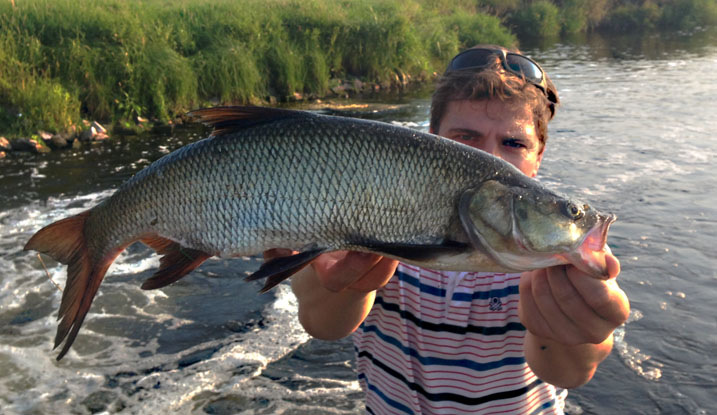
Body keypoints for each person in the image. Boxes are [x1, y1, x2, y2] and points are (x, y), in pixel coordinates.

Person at [267, 45, 630, 414]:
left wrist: (578, 335)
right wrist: (345, 286)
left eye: (513, 142)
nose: (491, 159)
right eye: (466, 138)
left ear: (538, 157)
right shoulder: (372, 213)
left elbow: (566, 371)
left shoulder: (550, 247)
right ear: (429, 142)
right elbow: (322, 324)